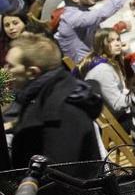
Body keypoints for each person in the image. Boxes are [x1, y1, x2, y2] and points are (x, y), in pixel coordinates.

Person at [8, 33, 104, 168]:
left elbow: (61, 173)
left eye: (10, 66)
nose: (5, 71)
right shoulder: (43, 95)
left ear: (32, 72)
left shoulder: (60, 111)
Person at [56, 0, 135, 62]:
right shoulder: (73, 17)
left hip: (93, 56)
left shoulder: (78, 11)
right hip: (87, 66)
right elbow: (103, 13)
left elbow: (97, 34)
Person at [78, 28, 131, 127]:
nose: (117, 44)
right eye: (111, 41)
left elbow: (122, 90)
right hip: (117, 122)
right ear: (101, 44)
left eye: (118, 39)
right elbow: (118, 105)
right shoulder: (103, 70)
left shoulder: (109, 62)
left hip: (120, 115)